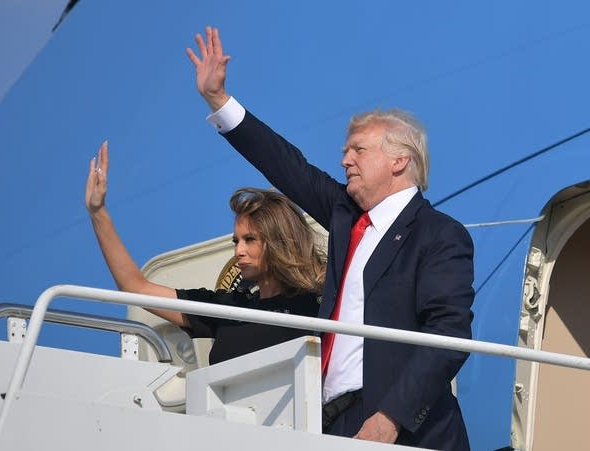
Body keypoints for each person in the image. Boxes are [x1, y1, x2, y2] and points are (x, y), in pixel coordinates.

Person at [186, 27, 475, 450]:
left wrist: (391, 417)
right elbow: (286, 165)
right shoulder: (346, 216)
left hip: (399, 425)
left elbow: (449, 334)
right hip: (329, 421)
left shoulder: (439, 235)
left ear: (399, 160)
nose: (345, 159)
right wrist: (218, 100)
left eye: (358, 150)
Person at [85, 141, 326, 365]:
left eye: (249, 240)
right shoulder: (228, 309)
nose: (238, 251)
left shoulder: (320, 304)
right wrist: (98, 213)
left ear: (279, 241)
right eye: (236, 241)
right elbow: (136, 288)